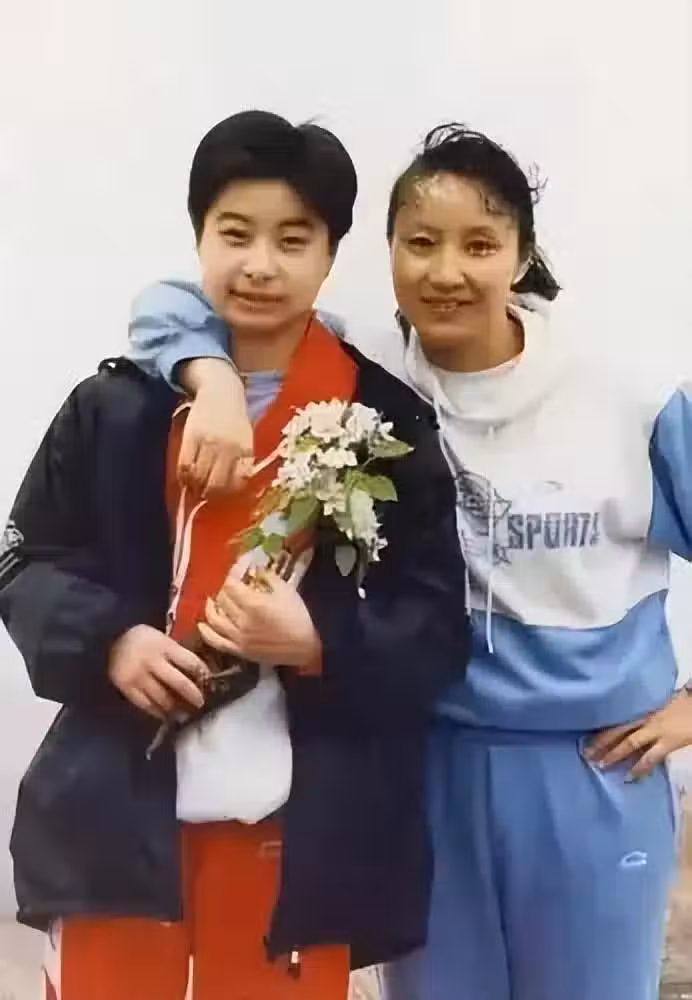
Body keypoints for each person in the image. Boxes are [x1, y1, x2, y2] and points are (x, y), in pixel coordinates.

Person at [127, 121, 692, 1000]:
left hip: (593, 769)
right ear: (387, 250)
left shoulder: (624, 395)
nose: (447, 271)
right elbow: (170, 303)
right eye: (420, 243)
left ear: (522, 255)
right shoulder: (367, 373)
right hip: (429, 757)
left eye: (480, 245)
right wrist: (217, 381)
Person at [0, 111, 470, 1000]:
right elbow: (25, 560)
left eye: (293, 240)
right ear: (198, 238)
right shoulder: (115, 406)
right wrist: (112, 641)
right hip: (118, 822)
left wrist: (318, 640)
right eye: (235, 233)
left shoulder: (386, 422)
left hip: (299, 832)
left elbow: (437, 626)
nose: (260, 264)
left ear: (331, 256)